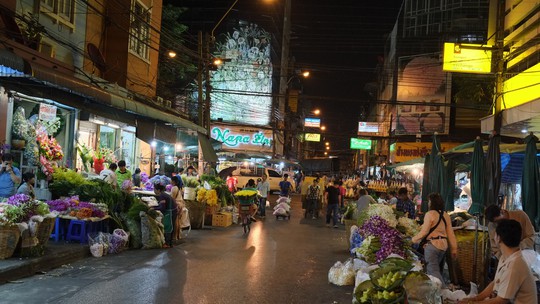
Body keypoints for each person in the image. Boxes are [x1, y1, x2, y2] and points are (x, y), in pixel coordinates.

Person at [458, 219, 537, 304]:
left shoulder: (514, 266)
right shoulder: (505, 257)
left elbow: (501, 301)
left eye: (495, 234)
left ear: (498, 238)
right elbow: (495, 282)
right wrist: (475, 299)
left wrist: (471, 303)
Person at [412, 193, 457, 288]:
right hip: (443, 247)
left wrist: (413, 240)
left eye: (429, 201)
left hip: (432, 246)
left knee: (433, 271)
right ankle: (436, 293)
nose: (428, 203)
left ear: (432, 203)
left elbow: (424, 232)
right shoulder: (446, 215)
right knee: (437, 271)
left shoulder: (430, 214)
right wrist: (454, 249)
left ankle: (444, 294)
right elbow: (450, 234)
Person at [153, 183, 177, 248]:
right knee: (170, 227)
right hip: (172, 211)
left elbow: (162, 208)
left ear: (158, 190)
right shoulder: (163, 194)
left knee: (168, 227)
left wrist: (153, 208)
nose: (153, 190)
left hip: (171, 212)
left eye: (154, 189)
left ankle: (168, 243)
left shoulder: (162, 196)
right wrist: (155, 207)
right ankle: (170, 243)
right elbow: (161, 205)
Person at [170, 175, 185, 241]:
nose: (170, 181)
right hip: (180, 204)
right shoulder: (179, 188)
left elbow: (172, 198)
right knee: (178, 221)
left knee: (175, 221)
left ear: (173, 181)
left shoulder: (174, 188)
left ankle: (174, 236)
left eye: (171, 180)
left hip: (176, 205)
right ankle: (178, 236)